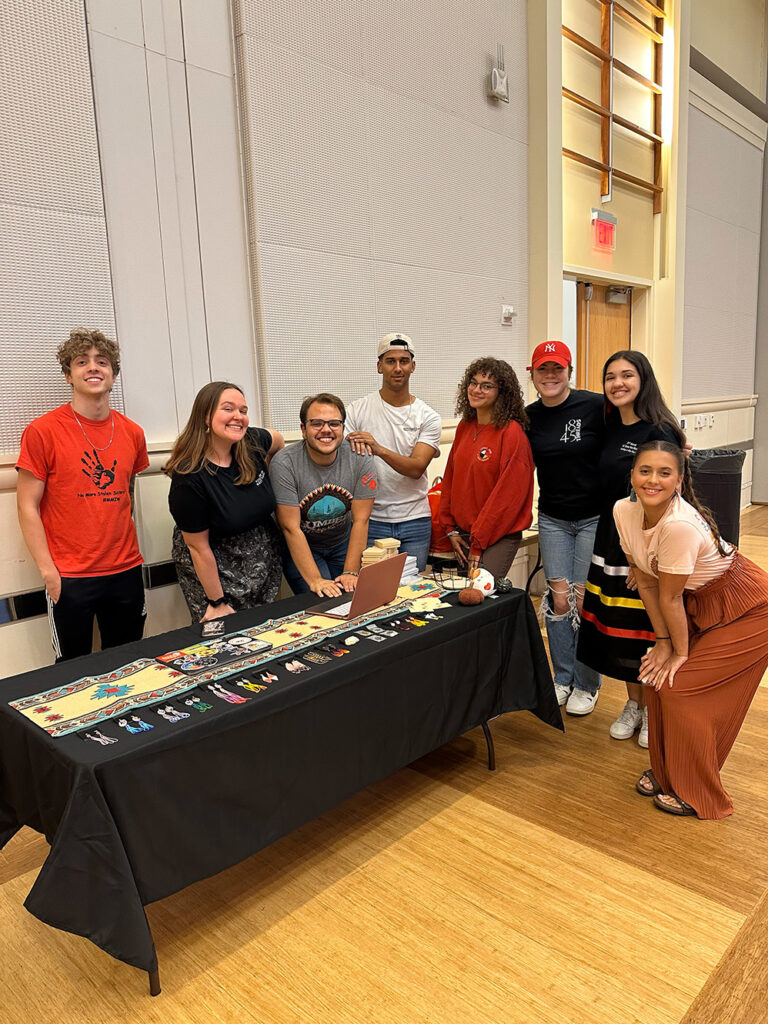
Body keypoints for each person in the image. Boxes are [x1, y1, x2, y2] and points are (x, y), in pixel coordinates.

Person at [615, 441, 768, 818]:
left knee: (680, 686)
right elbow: (646, 581)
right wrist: (663, 645)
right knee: (655, 678)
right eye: (645, 470)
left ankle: (699, 792)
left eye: (664, 473)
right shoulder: (623, 511)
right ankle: (668, 774)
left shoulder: (679, 526)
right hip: (699, 604)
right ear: (632, 476)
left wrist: (675, 650)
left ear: (679, 481)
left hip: (748, 609)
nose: (653, 480)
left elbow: (668, 599)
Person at [16, 328, 149, 661]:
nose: (93, 368)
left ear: (113, 374)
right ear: (68, 375)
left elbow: (127, 495)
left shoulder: (132, 432)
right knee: (71, 670)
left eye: (102, 362)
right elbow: (27, 506)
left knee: (128, 664)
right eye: (82, 362)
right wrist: (49, 572)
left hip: (125, 571)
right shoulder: (42, 432)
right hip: (70, 576)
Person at [577, 350, 685, 748]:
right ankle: (633, 706)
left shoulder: (660, 431)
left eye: (627, 375)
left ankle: (655, 711)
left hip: (647, 547)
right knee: (619, 631)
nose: (617, 383)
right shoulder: (608, 426)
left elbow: (669, 496)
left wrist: (646, 560)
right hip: (611, 539)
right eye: (610, 377)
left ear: (643, 380)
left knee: (651, 630)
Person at [526, 341, 604, 716]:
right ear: (533, 375)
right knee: (559, 600)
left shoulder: (593, 406)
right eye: (544, 369)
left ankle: (588, 683)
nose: (551, 375)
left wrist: (674, 439)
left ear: (569, 372)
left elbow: (639, 424)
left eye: (558, 368)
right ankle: (563, 677)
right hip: (554, 518)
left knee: (585, 600)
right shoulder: (528, 417)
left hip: (594, 517)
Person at [165, 381, 284, 622]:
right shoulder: (189, 478)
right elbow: (198, 547)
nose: (238, 417)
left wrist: (269, 482)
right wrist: (217, 602)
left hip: (261, 562)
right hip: (215, 572)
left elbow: (279, 441)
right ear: (206, 417)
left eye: (243, 410)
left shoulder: (251, 442)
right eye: (228, 409)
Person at [346, 333, 441, 571]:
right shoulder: (357, 410)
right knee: (370, 591)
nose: (398, 368)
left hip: (415, 519)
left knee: (411, 590)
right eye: (390, 361)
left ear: (413, 366)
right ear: (379, 366)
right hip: (370, 520)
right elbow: (345, 463)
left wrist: (377, 449)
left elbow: (416, 468)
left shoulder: (428, 416)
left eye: (404, 361)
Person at [270, 393, 377, 597]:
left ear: (343, 428)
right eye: (316, 423)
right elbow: (291, 528)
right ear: (303, 429)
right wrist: (316, 580)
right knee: (322, 600)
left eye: (334, 423)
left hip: (342, 542)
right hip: (303, 545)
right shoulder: (284, 463)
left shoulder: (360, 456)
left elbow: (361, 520)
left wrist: (350, 571)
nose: (326, 430)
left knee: (351, 597)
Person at [438, 357, 534, 578]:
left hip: (497, 535)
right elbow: (450, 479)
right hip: (464, 533)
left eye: (487, 386)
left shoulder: (511, 433)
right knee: (466, 600)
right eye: (473, 383)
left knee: (481, 595)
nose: (477, 390)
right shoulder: (465, 426)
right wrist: (449, 528)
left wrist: (479, 542)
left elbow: (507, 497)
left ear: (502, 392)